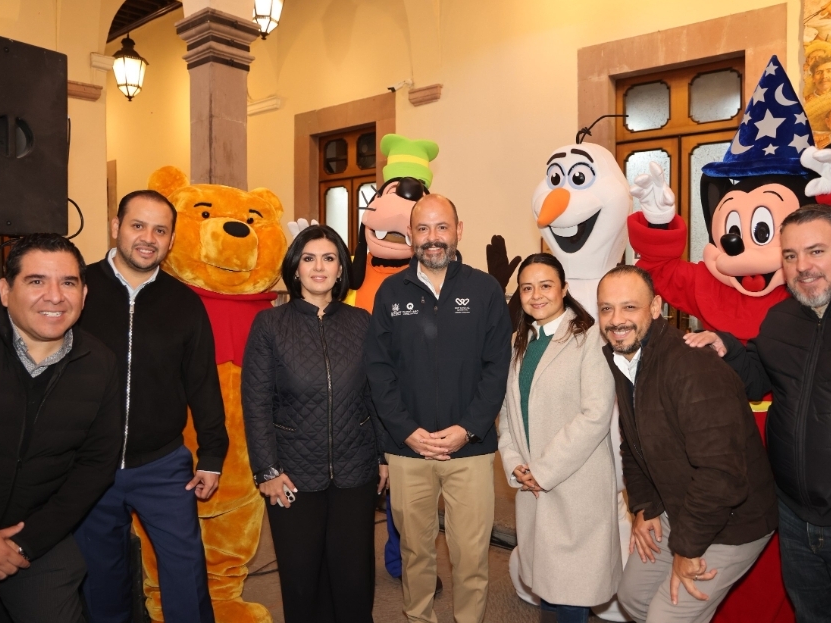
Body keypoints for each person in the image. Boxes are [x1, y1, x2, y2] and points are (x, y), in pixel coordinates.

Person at [686, 204, 831, 622]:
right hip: (794, 519)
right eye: (791, 255)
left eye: (816, 251)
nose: (802, 267)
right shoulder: (781, 317)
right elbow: (758, 378)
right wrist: (727, 348)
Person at [74, 190, 229, 623]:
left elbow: (202, 382)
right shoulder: (77, 289)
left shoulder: (185, 302)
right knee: (101, 583)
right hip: (89, 465)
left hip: (163, 465)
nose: (148, 238)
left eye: (160, 230)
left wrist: (212, 455)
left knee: (186, 576)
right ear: (116, 227)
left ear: (171, 240)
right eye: (138, 225)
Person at [596, 265, 778, 623]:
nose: (616, 320)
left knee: (666, 617)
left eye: (629, 307)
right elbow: (633, 442)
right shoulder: (623, 358)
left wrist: (686, 548)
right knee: (633, 598)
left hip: (734, 518)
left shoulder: (691, 365)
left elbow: (721, 474)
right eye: (606, 308)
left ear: (655, 308)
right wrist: (645, 506)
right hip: (679, 503)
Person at [0, 233, 121, 622]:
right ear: (5, 291)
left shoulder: (100, 363)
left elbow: (96, 466)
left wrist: (23, 545)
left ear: (84, 294)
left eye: (68, 283)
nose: (55, 296)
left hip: (34, 532)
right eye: (36, 281)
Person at [365, 193, 512, 623]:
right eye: (423, 229)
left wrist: (467, 429)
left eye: (442, 227)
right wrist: (406, 431)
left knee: (471, 556)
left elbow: (497, 368)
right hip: (409, 450)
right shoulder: (391, 292)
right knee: (415, 553)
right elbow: (378, 370)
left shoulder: (485, 290)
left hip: (470, 449)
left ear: (458, 231)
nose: (433, 238)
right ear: (411, 235)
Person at [242, 224, 386, 623]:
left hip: (355, 470)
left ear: (341, 269)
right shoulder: (269, 325)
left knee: (354, 575)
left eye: (328, 258)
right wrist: (267, 471)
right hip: (291, 474)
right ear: (296, 267)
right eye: (309, 258)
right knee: (301, 576)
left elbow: (375, 395)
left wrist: (383, 457)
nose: (319, 267)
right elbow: (256, 402)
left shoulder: (361, 322)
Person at [497, 253, 621, 623]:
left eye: (545, 285)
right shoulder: (519, 341)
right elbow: (508, 413)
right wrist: (515, 463)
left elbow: (595, 415)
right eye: (527, 288)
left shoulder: (590, 338)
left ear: (564, 289)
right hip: (532, 484)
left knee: (572, 589)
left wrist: (542, 470)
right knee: (548, 585)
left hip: (575, 483)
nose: (536, 295)